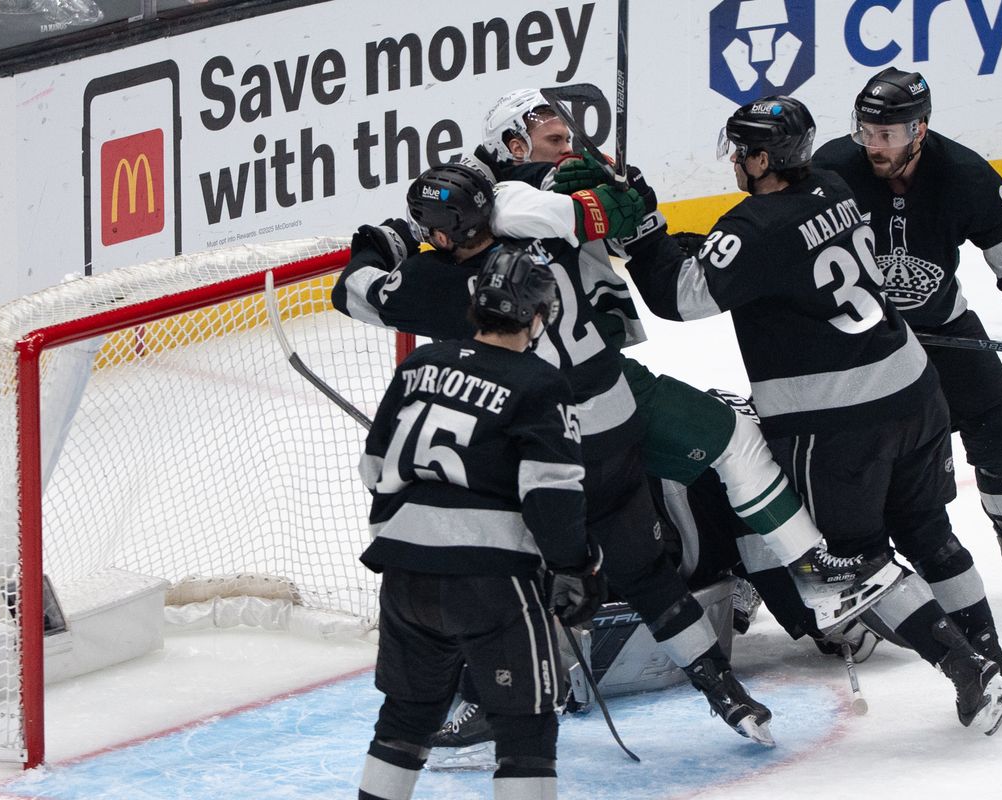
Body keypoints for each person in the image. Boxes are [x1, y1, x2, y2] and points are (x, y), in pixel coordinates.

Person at [333, 163, 775, 743]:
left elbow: (354, 292)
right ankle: (725, 690)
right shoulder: (542, 240)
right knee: (643, 571)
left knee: (508, 577)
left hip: (550, 443)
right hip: (617, 422)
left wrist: (376, 248)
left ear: (441, 231)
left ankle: (492, 701)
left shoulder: (436, 282)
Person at [619, 94, 1002, 734]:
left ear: (759, 157)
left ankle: (965, 666)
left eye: (740, 150)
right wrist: (661, 235)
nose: (735, 162)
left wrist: (641, 237)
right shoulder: (832, 186)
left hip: (838, 420)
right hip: (914, 390)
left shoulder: (752, 228)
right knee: (929, 531)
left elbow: (680, 294)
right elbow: (739, 257)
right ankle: (997, 664)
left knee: (847, 563)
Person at [477, 88, 900, 629]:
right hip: (550, 404)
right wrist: (603, 198)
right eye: (554, 140)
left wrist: (630, 201)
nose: (569, 149)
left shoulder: (544, 182)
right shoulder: (500, 202)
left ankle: (794, 573)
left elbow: (603, 212)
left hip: (601, 380)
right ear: (514, 145)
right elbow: (546, 208)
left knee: (726, 444)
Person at [812, 67, 1002, 601]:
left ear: (919, 129)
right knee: (835, 448)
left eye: (886, 134)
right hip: (856, 335)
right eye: (865, 131)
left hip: (941, 322)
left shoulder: (963, 173)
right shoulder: (832, 169)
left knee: (999, 427)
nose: (872, 144)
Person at [355, 245, 604, 800]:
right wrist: (576, 567)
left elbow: (374, 468)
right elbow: (550, 492)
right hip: (491, 583)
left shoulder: (419, 364)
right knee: (526, 727)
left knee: (406, 715)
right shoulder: (540, 383)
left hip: (404, 575)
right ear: (538, 317)